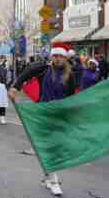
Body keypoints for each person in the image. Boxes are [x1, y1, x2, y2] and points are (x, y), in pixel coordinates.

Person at [8, 42, 76, 196]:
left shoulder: (70, 75)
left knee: (55, 147)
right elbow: (26, 74)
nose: (57, 59)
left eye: (60, 56)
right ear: (52, 56)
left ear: (65, 58)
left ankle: (47, 175)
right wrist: (14, 88)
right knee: (48, 147)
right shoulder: (43, 69)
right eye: (55, 56)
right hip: (43, 113)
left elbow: (71, 97)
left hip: (59, 114)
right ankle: (54, 181)